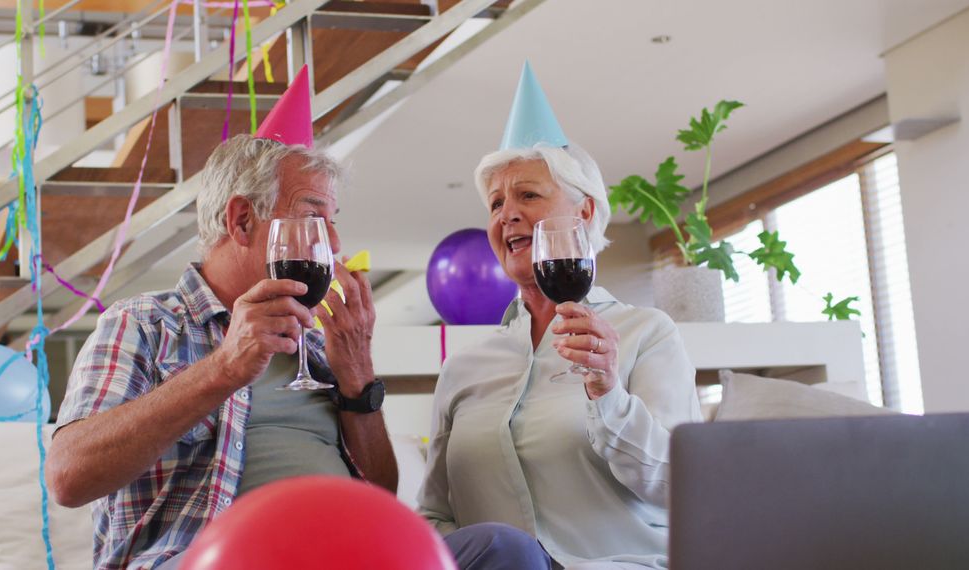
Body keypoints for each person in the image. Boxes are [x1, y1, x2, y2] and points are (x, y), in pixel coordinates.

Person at [47, 67, 548, 570]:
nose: (331, 244)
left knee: (504, 551)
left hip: (345, 553)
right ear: (242, 220)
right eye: (312, 217)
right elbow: (68, 477)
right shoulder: (146, 323)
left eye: (334, 223)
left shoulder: (317, 343)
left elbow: (380, 496)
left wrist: (357, 379)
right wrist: (223, 369)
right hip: (211, 559)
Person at [417, 64, 702, 570]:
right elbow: (437, 515)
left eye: (528, 195)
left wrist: (607, 392)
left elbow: (681, 486)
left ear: (586, 213)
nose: (507, 214)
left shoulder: (645, 335)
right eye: (496, 202)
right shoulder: (464, 368)